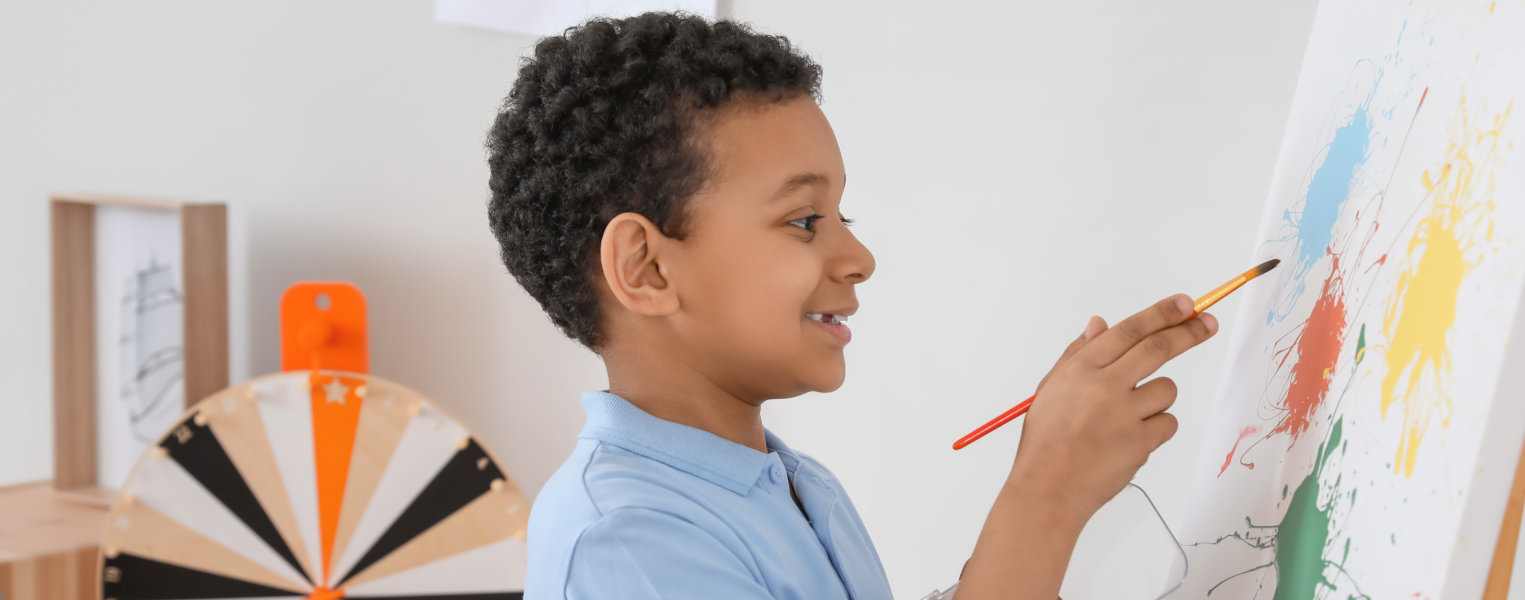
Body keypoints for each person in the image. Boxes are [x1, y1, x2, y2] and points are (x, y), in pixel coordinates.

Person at [485, 12, 1218, 599]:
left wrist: (1055, 481)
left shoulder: (800, 486)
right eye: (805, 221)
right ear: (646, 268)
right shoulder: (626, 541)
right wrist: (1045, 497)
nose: (858, 260)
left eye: (846, 218)